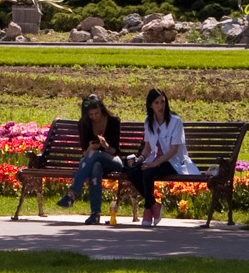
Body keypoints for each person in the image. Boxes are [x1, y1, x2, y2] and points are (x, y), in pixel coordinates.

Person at [56, 94, 123, 224]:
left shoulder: (113, 121)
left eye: (96, 113)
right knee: (95, 167)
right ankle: (95, 214)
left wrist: (105, 146)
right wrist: (90, 148)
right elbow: (85, 153)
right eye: (91, 115)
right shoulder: (84, 123)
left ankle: (72, 194)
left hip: (113, 160)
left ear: (102, 109)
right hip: (94, 161)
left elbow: (115, 151)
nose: (94, 117)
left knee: (95, 155)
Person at [135, 88, 197, 226]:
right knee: (133, 170)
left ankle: (147, 209)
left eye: (162, 102)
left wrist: (155, 163)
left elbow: (174, 150)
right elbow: (147, 147)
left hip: (173, 162)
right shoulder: (148, 121)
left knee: (148, 172)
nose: (160, 106)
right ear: (151, 105)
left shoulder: (175, 121)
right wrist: (140, 159)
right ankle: (154, 205)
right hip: (154, 160)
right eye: (156, 103)